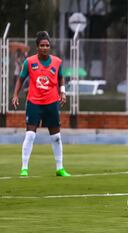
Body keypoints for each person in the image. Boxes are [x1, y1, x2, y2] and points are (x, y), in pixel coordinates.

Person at [11, 31, 71, 177]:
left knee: (56, 137)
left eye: (47, 45)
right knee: (30, 135)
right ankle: (24, 168)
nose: (45, 47)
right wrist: (15, 95)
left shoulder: (57, 62)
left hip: (51, 103)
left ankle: (60, 168)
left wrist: (62, 92)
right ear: (37, 47)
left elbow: (60, 78)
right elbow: (21, 79)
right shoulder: (30, 62)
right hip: (34, 103)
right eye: (42, 45)